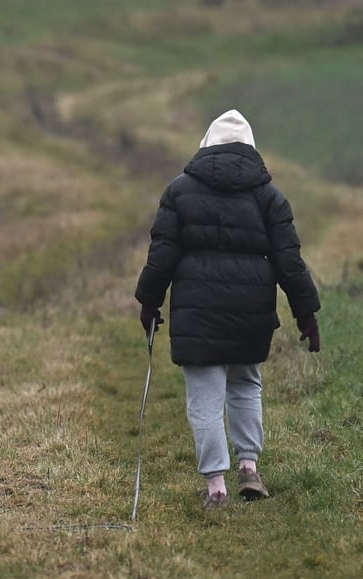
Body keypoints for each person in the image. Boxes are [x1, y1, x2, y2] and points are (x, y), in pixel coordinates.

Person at [134, 109, 321, 509]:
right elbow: (290, 261)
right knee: (244, 384)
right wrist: (307, 314)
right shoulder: (270, 197)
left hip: (197, 313)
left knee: (204, 396)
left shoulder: (179, 191)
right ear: (250, 149)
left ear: (206, 145)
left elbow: (162, 253)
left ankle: (216, 486)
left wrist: (149, 301)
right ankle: (249, 467)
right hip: (250, 312)